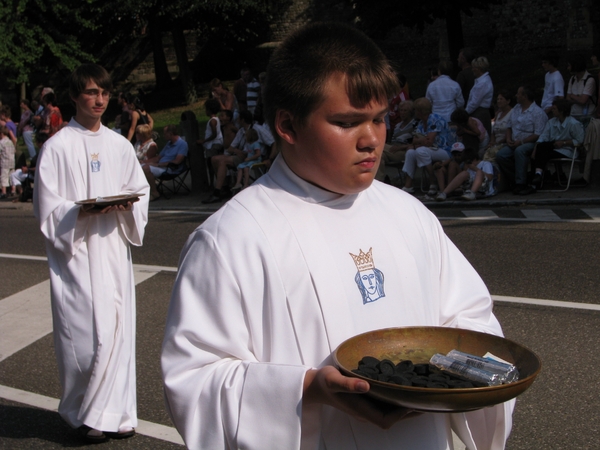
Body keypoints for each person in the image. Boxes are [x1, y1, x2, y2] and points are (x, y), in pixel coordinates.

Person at [162, 22, 513, 450]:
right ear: (288, 125)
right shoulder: (232, 239)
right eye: (347, 122)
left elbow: (468, 317)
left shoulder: (408, 213)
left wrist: (457, 376)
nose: (371, 140)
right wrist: (307, 389)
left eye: (381, 120)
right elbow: (195, 379)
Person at [33, 64, 150, 442]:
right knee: (87, 334)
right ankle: (83, 412)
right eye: (90, 92)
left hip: (113, 248)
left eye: (104, 92)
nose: (99, 100)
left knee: (118, 328)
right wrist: (80, 210)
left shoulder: (118, 144)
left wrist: (127, 204)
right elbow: (48, 208)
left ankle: (116, 413)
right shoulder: (56, 148)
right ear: (74, 97)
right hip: (78, 254)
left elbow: (140, 188)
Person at [203, 110, 274, 204]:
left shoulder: (258, 129)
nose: (237, 120)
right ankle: (225, 188)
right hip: (243, 155)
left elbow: (273, 142)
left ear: (242, 119)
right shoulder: (241, 131)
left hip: (254, 157)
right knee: (214, 159)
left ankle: (217, 192)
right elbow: (231, 148)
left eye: (239, 118)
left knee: (223, 161)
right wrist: (237, 151)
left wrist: (270, 158)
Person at [521, 98, 585, 194]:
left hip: (567, 150)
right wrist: (535, 148)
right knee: (541, 148)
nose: (552, 110)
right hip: (553, 148)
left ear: (562, 110)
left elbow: (580, 140)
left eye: (554, 108)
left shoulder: (573, 123)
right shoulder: (552, 122)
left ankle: (536, 179)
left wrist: (564, 143)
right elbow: (544, 136)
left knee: (542, 150)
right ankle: (537, 177)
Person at [495, 86, 548, 194]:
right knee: (501, 155)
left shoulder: (538, 113)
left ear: (525, 96)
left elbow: (538, 134)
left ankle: (521, 183)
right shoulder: (516, 109)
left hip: (530, 142)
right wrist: (509, 138)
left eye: (518, 94)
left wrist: (522, 142)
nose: (516, 96)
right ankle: (516, 177)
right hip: (514, 141)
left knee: (520, 151)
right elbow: (509, 126)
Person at [401, 97, 454, 196]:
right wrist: (422, 140)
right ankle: (408, 185)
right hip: (432, 149)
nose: (414, 112)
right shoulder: (421, 122)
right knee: (410, 152)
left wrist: (420, 140)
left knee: (420, 151)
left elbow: (429, 141)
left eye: (415, 110)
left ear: (421, 111)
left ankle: (432, 181)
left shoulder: (434, 119)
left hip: (444, 150)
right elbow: (414, 140)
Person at [142, 124, 188, 201]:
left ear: (170, 134)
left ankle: (154, 192)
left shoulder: (182, 144)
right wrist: (144, 161)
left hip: (170, 169)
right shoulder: (169, 144)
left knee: (145, 168)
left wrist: (158, 165)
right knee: (140, 166)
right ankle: (144, 192)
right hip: (160, 166)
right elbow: (158, 157)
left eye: (165, 133)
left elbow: (177, 161)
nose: (163, 135)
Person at [465, 56, 494, 137]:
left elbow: (474, 102)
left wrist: (465, 113)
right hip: (478, 112)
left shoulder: (482, 83)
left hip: (480, 113)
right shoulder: (481, 81)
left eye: (474, 67)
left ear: (478, 69)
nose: (472, 69)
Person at [483, 90, 513, 162]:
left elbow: (510, 131)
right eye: (498, 99)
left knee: (491, 156)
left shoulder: (512, 113)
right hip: (496, 143)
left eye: (501, 99)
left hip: (505, 143)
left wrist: (497, 143)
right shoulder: (498, 114)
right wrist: (492, 142)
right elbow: (493, 131)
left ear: (508, 101)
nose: (499, 101)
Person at [566, 54, 597, 123]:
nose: (568, 68)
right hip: (573, 115)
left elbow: (583, 100)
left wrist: (572, 96)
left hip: (587, 116)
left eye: (569, 65)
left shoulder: (589, 79)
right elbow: (567, 98)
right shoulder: (572, 79)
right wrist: (578, 98)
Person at [231, 128, 261, 192]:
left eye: (246, 136)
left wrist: (250, 158)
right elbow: (248, 152)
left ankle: (246, 184)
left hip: (255, 160)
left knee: (246, 168)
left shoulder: (256, 144)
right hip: (249, 160)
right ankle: (238, 183)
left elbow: (258, 154)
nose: (245, 137)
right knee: (240, 166)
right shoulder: (248, 144)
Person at [0, 125, 16, 199]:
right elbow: (14, 151)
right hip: (12, 161)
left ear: (1, 133)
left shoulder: (1, 142)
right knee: (12, 176)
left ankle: (4, 192)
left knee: (4, 177)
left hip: (4, 162)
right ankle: (13, 190)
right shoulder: (10, 142)